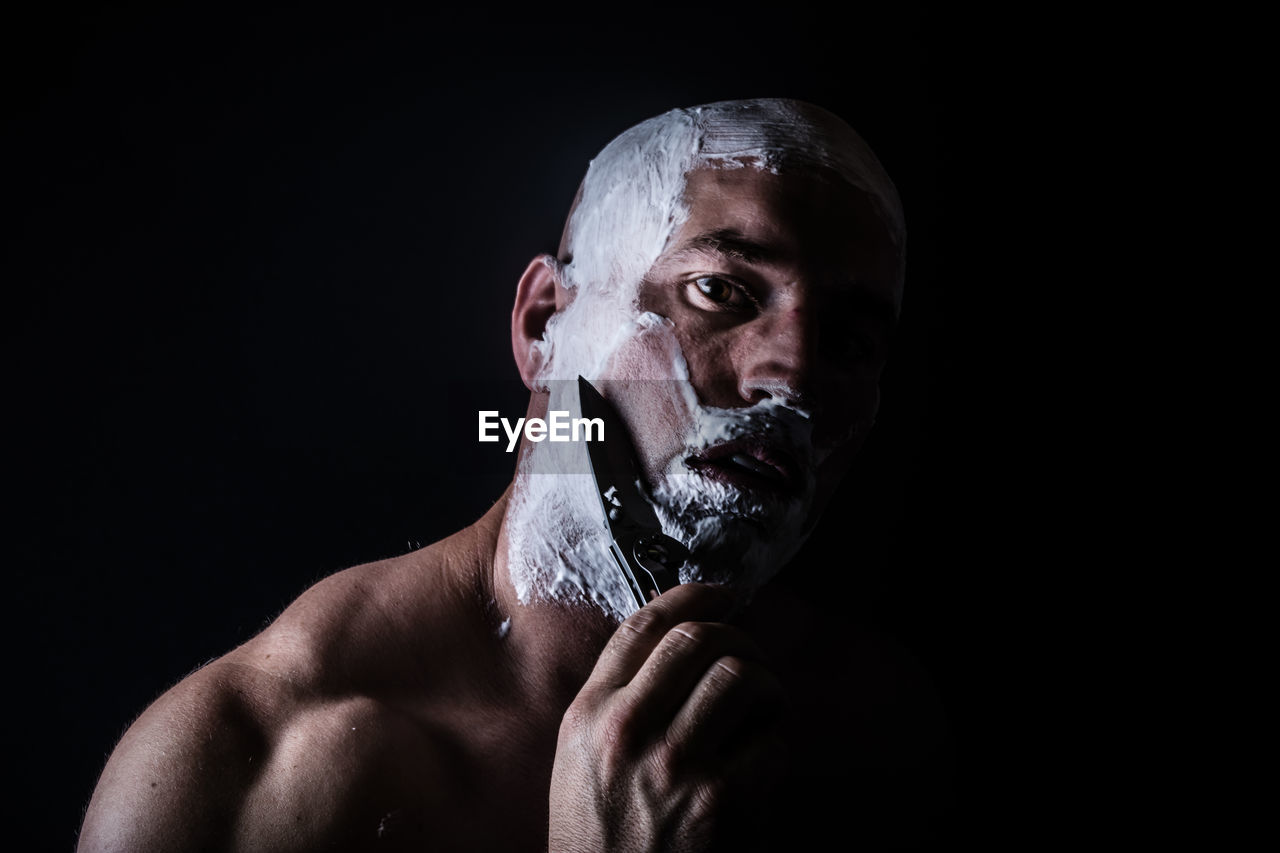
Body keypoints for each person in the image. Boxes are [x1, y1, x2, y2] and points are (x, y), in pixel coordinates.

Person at [78, 98, 950, 852]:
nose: (792, 378)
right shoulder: (252, 770)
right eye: (721, 290)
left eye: (850, 341)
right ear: (544, 327)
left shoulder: (882, 740)